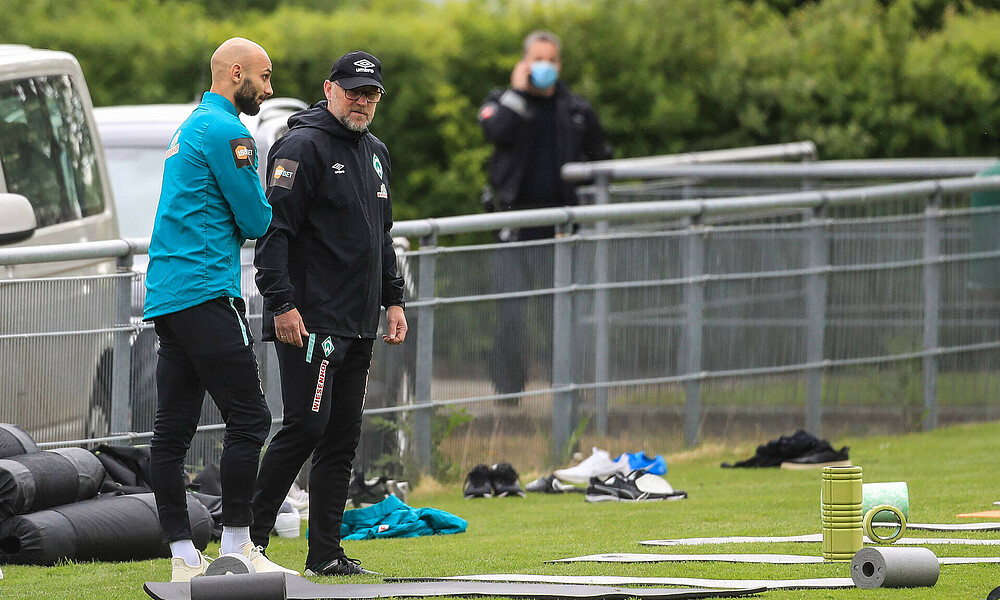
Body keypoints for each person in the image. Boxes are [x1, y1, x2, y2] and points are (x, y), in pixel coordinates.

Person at [143, 37, 298, 582]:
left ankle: (183, 558)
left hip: (167, 294)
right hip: (207, 289)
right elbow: (256, 220)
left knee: (173, 429)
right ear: (237, 73)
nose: (269, 88)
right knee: (250, 417)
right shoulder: (230, 131)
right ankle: (238, 546)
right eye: (265, 76)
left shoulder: (190, 125)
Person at [251, 50, 407, 577]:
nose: (362, 100)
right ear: (330, 88)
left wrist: (393, 297)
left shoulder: (377, 151)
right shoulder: (301, 145)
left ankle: (326, 553)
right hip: (311, 320)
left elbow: (379, 235)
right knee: (306, 428)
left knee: (342, 437)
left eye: (371, 93)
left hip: (360, 320)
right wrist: (282, 304)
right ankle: (246, 543)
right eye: (353, 90)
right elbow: (275, 233)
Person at [478, 31, 612, 399]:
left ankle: (565, 391)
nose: (545, 67)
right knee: (510, 314)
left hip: (561, 230)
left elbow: (602, 159)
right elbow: (493, 129)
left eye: (551, 60)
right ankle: (507, 393)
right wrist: (519, 94)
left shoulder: (577, 111)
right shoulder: (504, 102)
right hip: (513, 226)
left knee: (562, 314)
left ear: (560, 64)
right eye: (538, 59)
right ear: (524, 63)